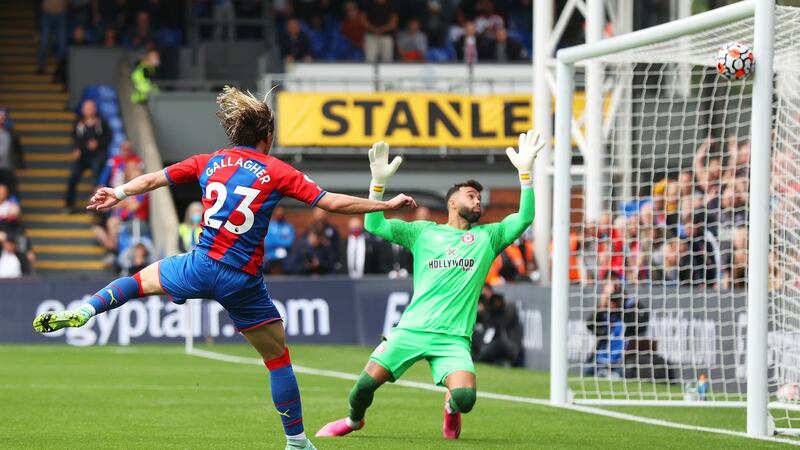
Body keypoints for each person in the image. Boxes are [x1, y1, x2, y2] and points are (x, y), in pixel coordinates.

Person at [32, 86, 416, 450]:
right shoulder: (278, 171)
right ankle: (296, 441)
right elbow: (330, 203)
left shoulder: (209, 160)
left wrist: (117, 193)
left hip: (200, 263)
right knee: (278, 359)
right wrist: (384, 204)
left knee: (137, 281)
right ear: (267, 134)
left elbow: (153, 178)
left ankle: (86, 311)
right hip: (241, 279)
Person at [316, 130, 542, 440]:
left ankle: (450, 408)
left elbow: (525, 216)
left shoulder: (488, 238)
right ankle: (354, 421)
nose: (477, 201)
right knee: (363, 388)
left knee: (466, 399)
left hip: (453, 338)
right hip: (411, 330)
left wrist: (526, 175)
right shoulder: (423, 232)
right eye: (471, 195)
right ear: (452, 202)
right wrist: (377, 185)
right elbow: (373, 223)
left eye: (479, 198)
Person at [65, 99, 112, 213]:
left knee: (96, 178)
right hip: (82, 157)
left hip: (97, 156)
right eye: (86, 108)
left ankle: (94, 205)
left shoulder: (101, 122)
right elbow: (74, 138)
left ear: (95, 109)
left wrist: (98, 143)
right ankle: (68, 205)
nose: (88, 110)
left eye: (90, 108)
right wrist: (75, 149)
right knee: (73, 177)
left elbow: (108, 137)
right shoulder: (78, 122)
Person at [37, 0, 68, 74]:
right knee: (43, 43)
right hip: (47, 14)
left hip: (61, 14)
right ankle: (41, 67)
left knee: (62, 44)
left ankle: (62, 69)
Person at [263, 206, 295, 273]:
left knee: (290, 267)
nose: (279, 216)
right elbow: (268, 242)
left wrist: (274, 239)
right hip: (270, 255)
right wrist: (282, 239)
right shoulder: (270, 226)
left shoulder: (289, 227)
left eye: (281, 214)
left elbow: (290, 243)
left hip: (285, 256)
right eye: (278, 214)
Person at [0, 108, 24, 196]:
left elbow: (18, 150)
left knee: (12, 191)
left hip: (8, 168)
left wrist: (20, 166)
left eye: (3, 116)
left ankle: (13, 208)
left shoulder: (11, 133)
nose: (1, 118)